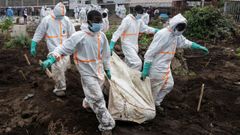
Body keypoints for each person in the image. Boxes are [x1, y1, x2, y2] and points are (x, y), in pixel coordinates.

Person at [40, 10, 115, 135]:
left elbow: (106, 55)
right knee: (98, 98)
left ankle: (86, 104)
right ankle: (106, 126)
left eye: (100, 21)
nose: (99, 24)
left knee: (95, 93)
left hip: (98, 70)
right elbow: (64, 48)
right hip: (86, 72)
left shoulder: (101, 36)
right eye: (96, 22)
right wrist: (52, 59)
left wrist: (107, 69)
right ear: (89, 21)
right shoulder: (80, 36)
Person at [141, 14, 209, 111]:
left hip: (166, 66)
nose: (180, 30)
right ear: (173, 25)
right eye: (179, 27)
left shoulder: (176, 35)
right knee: (154, 89)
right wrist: (145, 69)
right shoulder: (163, 34)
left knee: (168, 85)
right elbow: (150, 53)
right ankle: (148, 109)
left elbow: (185, 42)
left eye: (182, 28)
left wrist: (198, 46)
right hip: (157, 67)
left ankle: (156, 103)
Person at [30, 2, 76, 97]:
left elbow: (73, 34)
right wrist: (33, 44)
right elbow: (39, 32)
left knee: (65, 67)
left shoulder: (66, 20)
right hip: (54, 49)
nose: (60, 18)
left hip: (65, 49)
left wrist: (74, 46)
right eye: (59, 16)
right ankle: (60, 88)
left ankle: (63, 78)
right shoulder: (47, 20)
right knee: (58, 69)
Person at [110, 5, 159, 71]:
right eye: (139, 13)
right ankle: (132, 77)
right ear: (135, 12)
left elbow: (145, 28)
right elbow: (118, 32)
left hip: (134, 45)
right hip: (127, 44)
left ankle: (124, 76)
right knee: (137, 63)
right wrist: (112, 44)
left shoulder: (139, 21)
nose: (140, 16)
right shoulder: (127, 20)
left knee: (128, 64)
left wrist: (155, 30)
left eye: (142, 14)